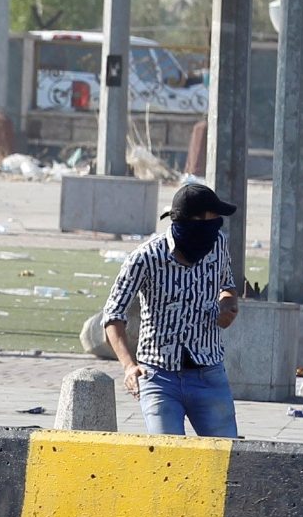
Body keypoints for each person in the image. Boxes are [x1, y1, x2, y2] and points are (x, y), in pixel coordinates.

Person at [100, 180, 244, 438]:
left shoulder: (218, 244)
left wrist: (229, 304)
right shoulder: (145, 258)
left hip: (209, 374)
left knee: (225, 458)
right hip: (158, 378)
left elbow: (228, 285)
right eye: (213, 221)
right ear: (195, 222)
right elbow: (113, 316)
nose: (217, 228)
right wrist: (129, 367)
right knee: (168, 461)